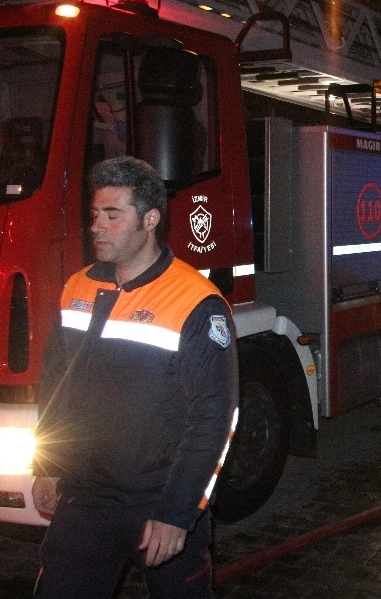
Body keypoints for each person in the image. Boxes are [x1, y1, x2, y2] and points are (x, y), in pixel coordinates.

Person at [31, 156, 239, 597]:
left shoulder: (196, 302)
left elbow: (215, 416)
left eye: (112, 215)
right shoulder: (78, 287)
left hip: (158, 499)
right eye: (93, 215)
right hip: (86, 498)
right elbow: (55, 387)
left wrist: (178, 511)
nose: (97, 227)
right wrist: (48, 465)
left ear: (149, 219)